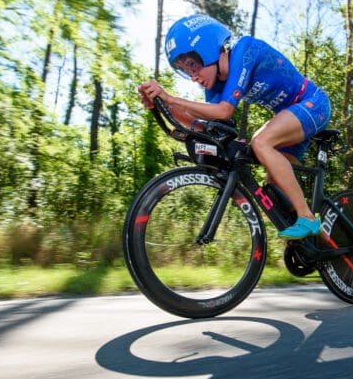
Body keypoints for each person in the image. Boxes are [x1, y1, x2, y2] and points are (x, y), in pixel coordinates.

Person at [137, 14, 332, 240]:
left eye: (193, 65)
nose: (193, 77)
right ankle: (321, 246)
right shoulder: (215, 85)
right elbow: (205, 125)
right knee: (274, 192)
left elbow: (224, 111)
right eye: (186, 70)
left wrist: (170, 98)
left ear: (208, 48)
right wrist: (161, 107)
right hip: (288, 117)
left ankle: (307, 217)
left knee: (261, 142)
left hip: (312, 102)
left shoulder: (244, 50)